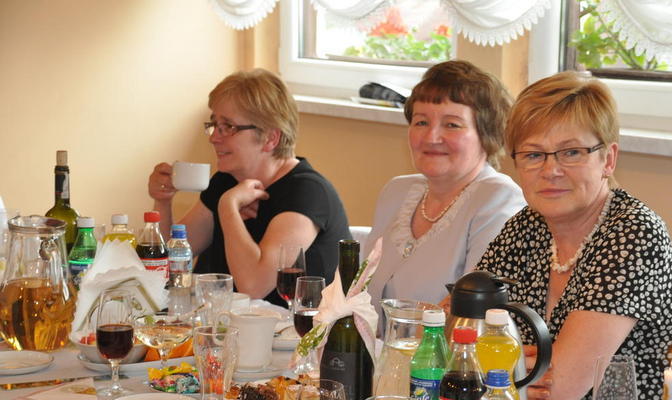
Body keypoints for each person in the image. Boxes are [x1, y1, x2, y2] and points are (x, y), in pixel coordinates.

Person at [476, 71, 672, 400]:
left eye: (572, 152)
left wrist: (495, 364)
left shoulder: (634, 233)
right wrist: (508, 366)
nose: (551, 170)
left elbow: (560, 385)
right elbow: (456, 327)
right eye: (533, 154)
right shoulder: (526, 225)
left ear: (608, 159)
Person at [148, 69, 351, 307]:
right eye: (214, 124)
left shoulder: (307, 193)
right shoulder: (226, 179)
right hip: (224, 323)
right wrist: (162, 200)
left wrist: (228, 207)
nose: (214, 137)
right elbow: (169, 261)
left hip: (295, 328)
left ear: (271, 138)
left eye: (228, 126)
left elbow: (254, 285)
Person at [365, 60, 526, 323]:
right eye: (421, 122)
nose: (431, 137)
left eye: (452, 125)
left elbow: (472, 312)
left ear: (487, 133)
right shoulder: (396, 191)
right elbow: (358, 289)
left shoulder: (499, 200)